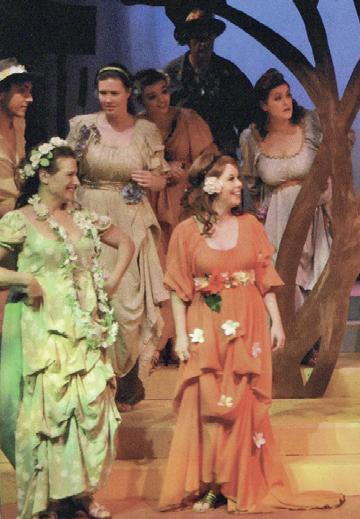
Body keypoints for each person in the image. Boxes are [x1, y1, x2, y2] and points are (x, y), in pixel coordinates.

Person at [158, 152, 345, 512]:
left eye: (237, 179)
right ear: (211, 185)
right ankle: (212, 482)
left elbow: (264, 278)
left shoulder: (250, 226)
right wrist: (179, 335)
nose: (239, 186)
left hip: (247, 324)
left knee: (242, 405)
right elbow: (178, 287)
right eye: (231, 179)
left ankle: (236, 482)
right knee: (210, 403)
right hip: (205, 324)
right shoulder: (186, 232)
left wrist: (277, 321)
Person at [0, 138, 134, 519]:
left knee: (84, 409)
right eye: (70, 175)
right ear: (45, 176)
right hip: (43, 330)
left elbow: (127, 242)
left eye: (77, 175)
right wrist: (24, 279)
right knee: (48, 414)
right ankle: (45, 500)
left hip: (83, 328)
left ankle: (80, 493)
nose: (76, 182)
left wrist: (112, 280)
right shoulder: (20, 220)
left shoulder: (84, 218)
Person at [66, 63, 169, 411]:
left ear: (128, 94)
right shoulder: (83, 127)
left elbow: (161, 177)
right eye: (102, 93)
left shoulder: (145, 131)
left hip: (129, 217)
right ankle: (94, 381)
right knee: (89, 298)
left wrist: (154, 181)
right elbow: (65, 169)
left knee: (127, 304)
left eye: (114, 93)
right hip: (88, 213)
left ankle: (127, 377)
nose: (107, 99)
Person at [239, 68, 331, 365]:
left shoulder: (310, 125)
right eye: (277, 98)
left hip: (312, 211)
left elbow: (330, 164)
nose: (286, 102)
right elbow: (252, 183)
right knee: (284, 277)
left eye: (288, 95)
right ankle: (292, 342)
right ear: (264, 105)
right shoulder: (252, 137)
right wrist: (258, 218)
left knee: (313, 275)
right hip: (277, 216)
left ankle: (312, 341)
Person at [134, 68, 217, 251]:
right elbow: (131, 165)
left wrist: (186, 170)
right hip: (151, 202)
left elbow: (209, 160)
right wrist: (163, 168)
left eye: (164, 91)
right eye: (152, 97)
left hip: (185, 199)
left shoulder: (188, 119)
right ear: (141, 101)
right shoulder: (136, 127)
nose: (161, 100)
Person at [164, 8, 256, 156]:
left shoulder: (230, 74)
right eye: (197, 37)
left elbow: (249, 117)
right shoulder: (170, 76)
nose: (203, 43)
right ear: (187, 39)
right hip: (183, 158)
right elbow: (160, 120)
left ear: (214, 37)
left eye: (208, 36)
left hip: (223, 158)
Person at [0, 57, 35, 215]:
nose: (30, 98)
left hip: (16, 216)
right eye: (22, 91)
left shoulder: (19, 123)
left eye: (30, 91)